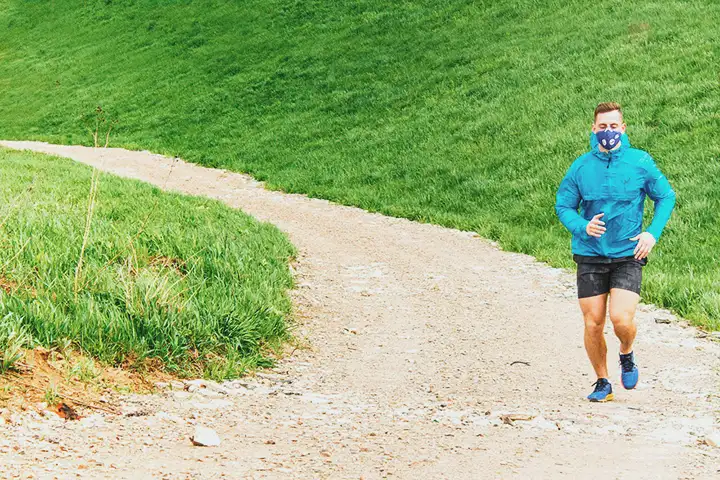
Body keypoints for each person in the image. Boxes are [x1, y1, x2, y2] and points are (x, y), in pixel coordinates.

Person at [555, 102, 676, 402]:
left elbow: (666, 196)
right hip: (590, 254)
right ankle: (602, 382)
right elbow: (563, 206)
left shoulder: (640, 162)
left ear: (623, 128)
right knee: (593, 322)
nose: (607, 132)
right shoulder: (581, 167)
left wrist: (652, 232)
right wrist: (583, 227)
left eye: (613, 126)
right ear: (593, 129)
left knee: (621, 320)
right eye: (602, 127)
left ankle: (626, 351)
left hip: (627, 254)